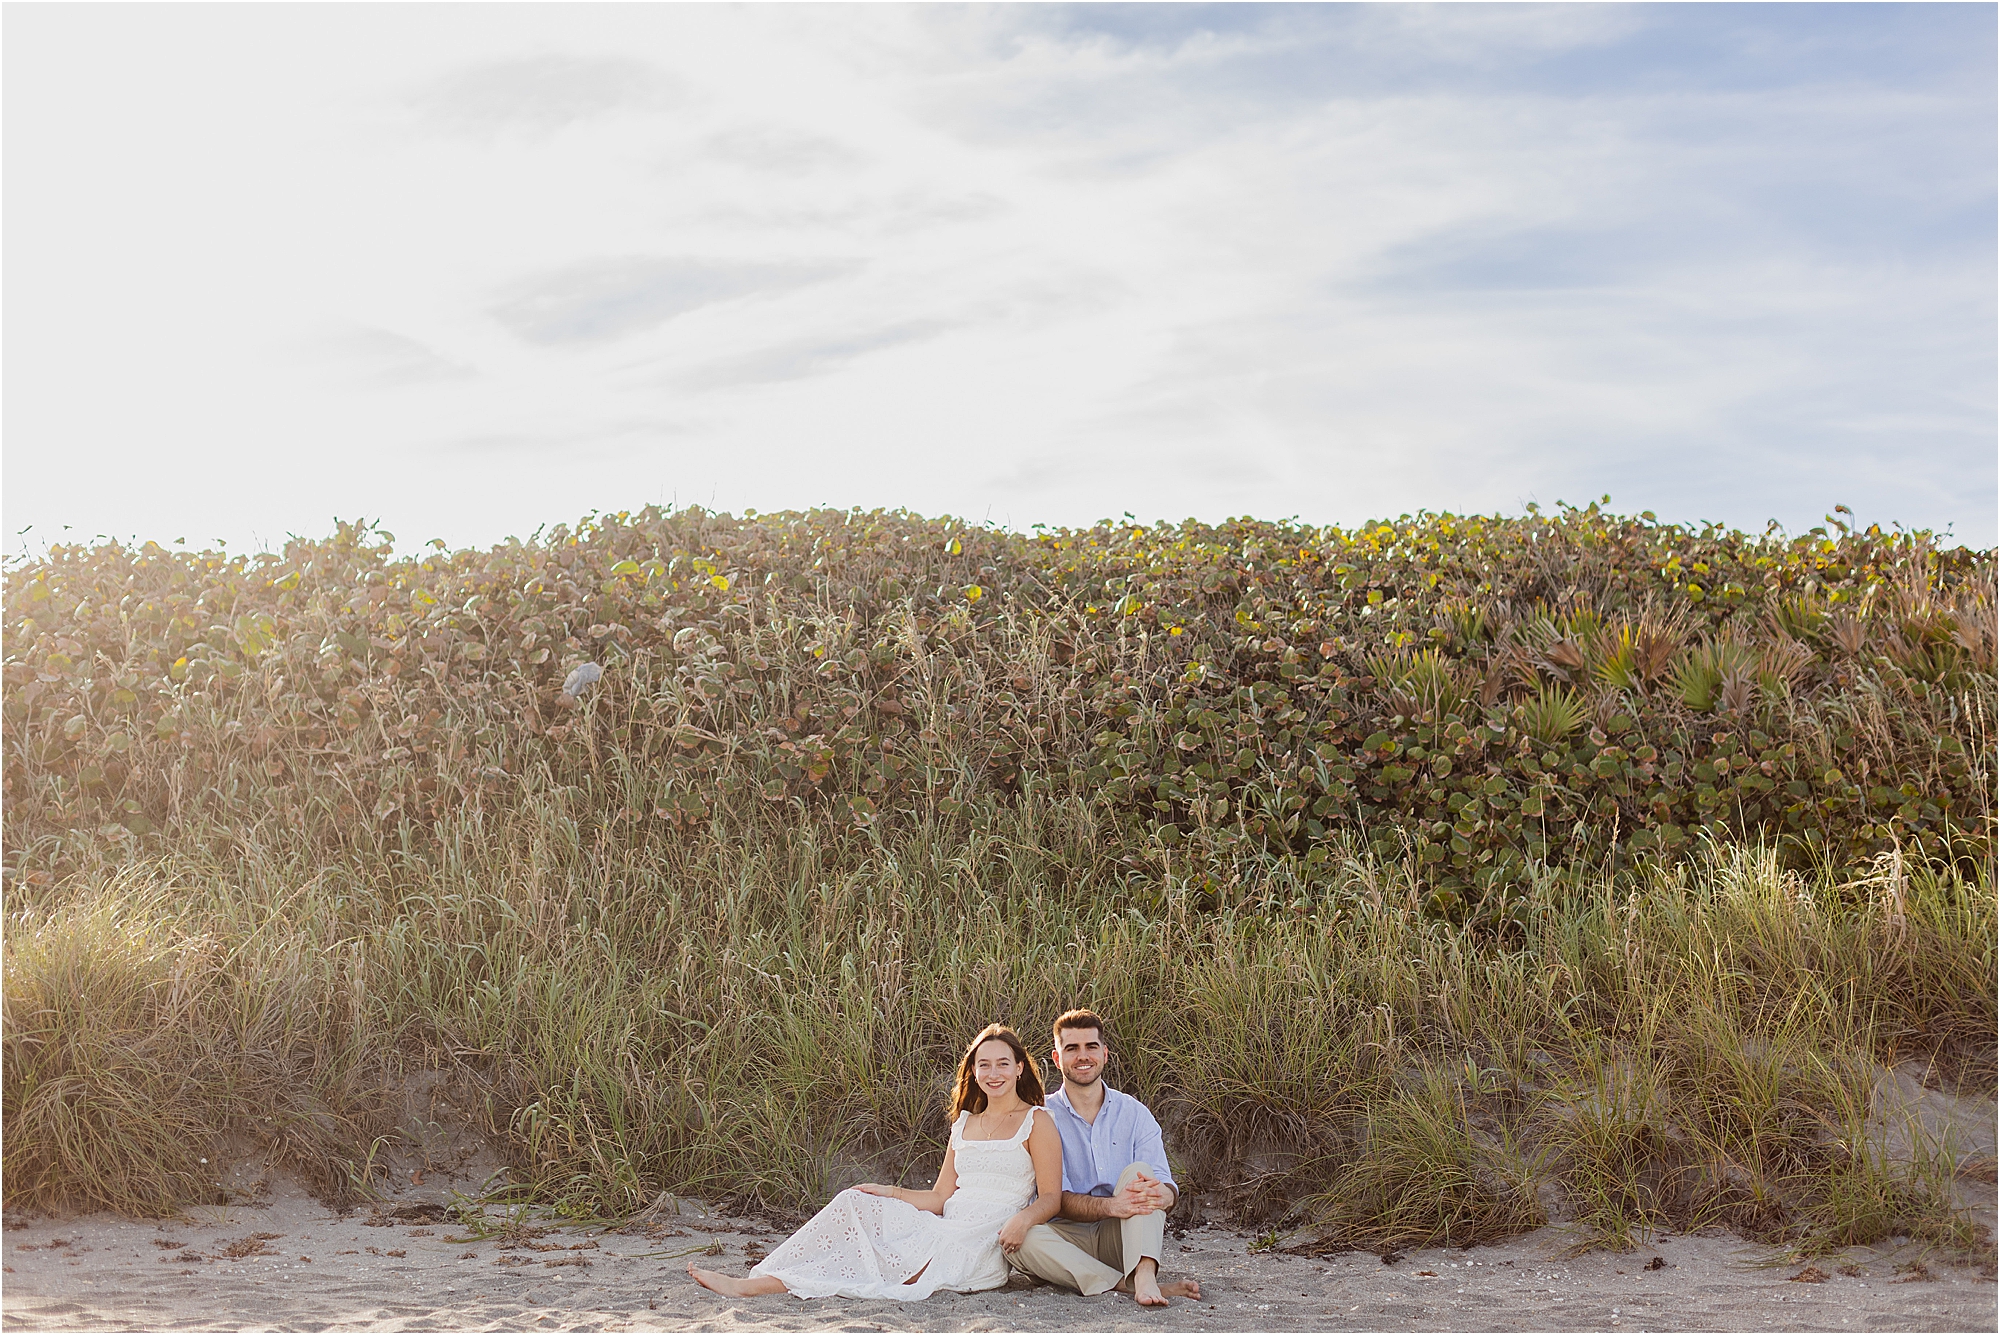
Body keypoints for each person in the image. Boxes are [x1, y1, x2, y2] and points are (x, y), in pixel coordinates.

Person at [689, 1023, 1063, 1301]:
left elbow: (1051, 1197)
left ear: (1019, 1068)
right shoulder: (965, 1122)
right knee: (855, 1202)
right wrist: (889, 1192)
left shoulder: (1037, 1120)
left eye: (1002, 1064)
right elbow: (939, 1197)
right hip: (947, 1222)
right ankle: (763, 1279)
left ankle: (752, 1289)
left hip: (985, 1237)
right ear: (974, 1072)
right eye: (984, 1065)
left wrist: (1023, 1219)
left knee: (885, 1268)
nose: (993, 1074)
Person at [1007, 1009, 1203, 1307]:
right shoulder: (1041, 1116)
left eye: (1091, 1047)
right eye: (1071, 1048)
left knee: (1140, 1174)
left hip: (1124, 1236)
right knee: (1020, 1242)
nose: (1082, 1056)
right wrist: (1113, 1205)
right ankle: (1125, 1284)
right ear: (1057, 1059)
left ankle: (1145, 1273)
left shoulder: (1134, 1113)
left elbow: (1164, 1184)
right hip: (1066, 1237)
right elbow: (1056, 1197)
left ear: (1105, 1053)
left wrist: (1163, 1194)